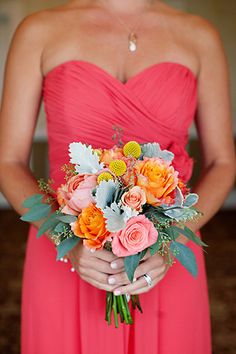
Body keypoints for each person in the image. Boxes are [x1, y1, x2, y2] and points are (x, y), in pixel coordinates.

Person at [0, 0, 235, 353]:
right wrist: (67, 240)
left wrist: (174, 240)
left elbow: (223, 162)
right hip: (64, 249)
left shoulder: (199, 37)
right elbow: (8, 160)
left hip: (165, 258)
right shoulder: (39, 31)